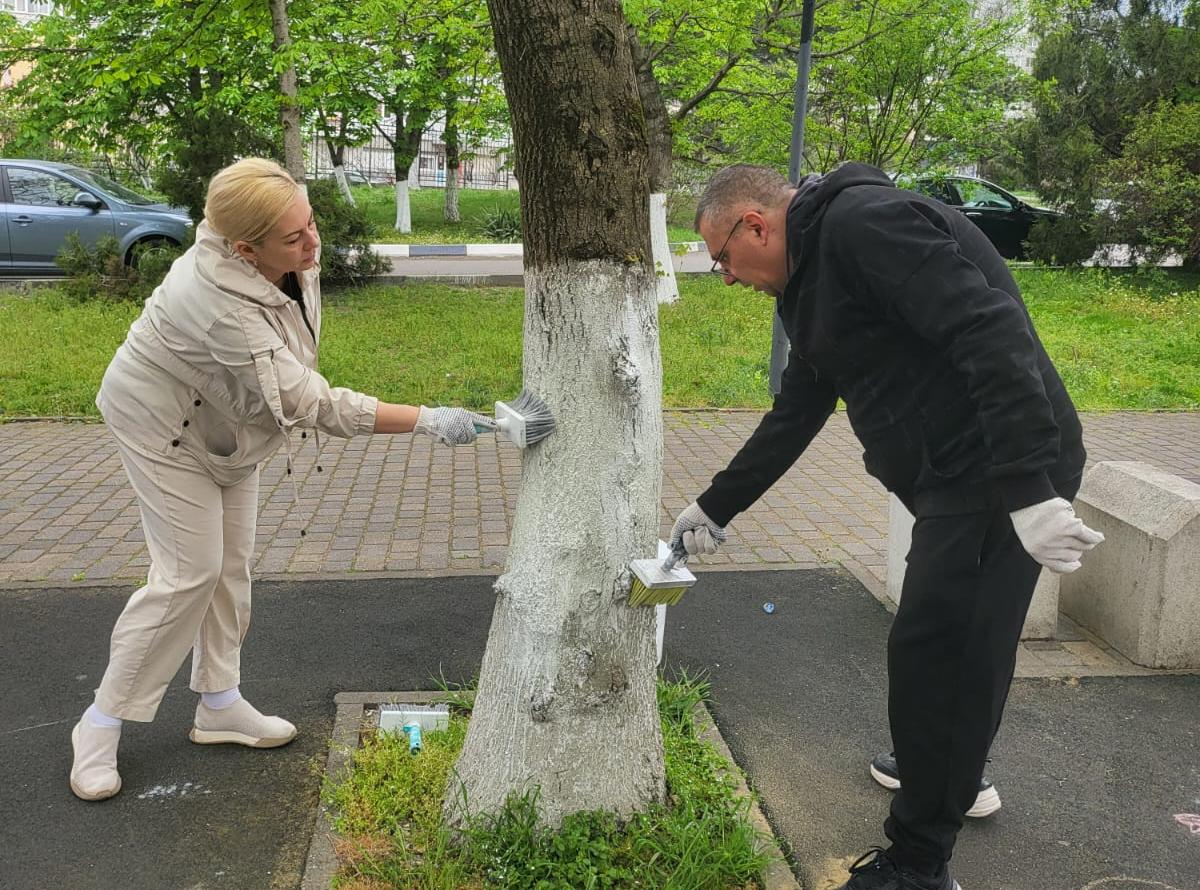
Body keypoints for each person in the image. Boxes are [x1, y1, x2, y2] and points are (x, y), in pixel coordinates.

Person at [670, 163, 1104, 890]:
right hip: (955, 477)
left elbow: (987, 327)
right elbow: (799, 409)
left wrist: (1029, 490)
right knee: (959, 647)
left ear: (755, 224)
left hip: (998, 470)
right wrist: (717, 504)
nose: (726, 277)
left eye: (721, 259)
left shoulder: (862, 226)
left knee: (938, 655)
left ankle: (918, 864)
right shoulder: (805, 286)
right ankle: (946, 769)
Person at [70, 158, 492, 802]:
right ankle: (99, 725)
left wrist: (297, 244)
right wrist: (427, 419)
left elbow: (284, 361)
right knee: (189, 573)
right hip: (165, 428)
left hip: (228, 425)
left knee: (231, 566)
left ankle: (219, 704)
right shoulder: (214, 306)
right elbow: (308, 404)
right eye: (295, 238)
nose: (313, 243)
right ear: (244, 248)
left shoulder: (277, 251)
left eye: (311, 223)